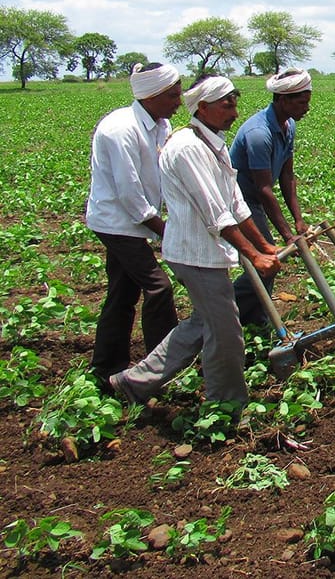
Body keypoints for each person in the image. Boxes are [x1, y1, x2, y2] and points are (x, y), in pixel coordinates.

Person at [110, 75, 281, 406]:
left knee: (202, 323)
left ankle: (132, 383)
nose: (234, 113)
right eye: (226, 105)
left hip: (205, 252)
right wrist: (254, 256)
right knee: (226, 333)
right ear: (202, 108)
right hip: (194, 255)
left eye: (235, 104)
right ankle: (226, 403)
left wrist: (264, 246)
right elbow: (215, 213)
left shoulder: (212, 143)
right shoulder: (187, 147)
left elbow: (236, 205)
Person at [86, 62, 183, 393]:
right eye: (173, 95)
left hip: (135, 220)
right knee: (159, 287)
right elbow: (129, 194)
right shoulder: (120, 130)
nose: (179, 101)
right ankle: (162, 367)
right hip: (117, 222)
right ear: (152, 95)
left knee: (122, 294)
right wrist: (167, 231)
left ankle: (105, 367)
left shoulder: (160, 123)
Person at [230, 67, 312, 325]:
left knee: (267, 266)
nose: (306, 108)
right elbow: (264, 190)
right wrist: (288, 235)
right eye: (301, 102)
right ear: (283, 100)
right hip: (240, 201)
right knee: (265, 262)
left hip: (255, 198)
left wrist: (298, 221)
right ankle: (227, 314)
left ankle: (253, 317)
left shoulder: (288, 126)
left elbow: (287, 176)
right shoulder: (259, 134)